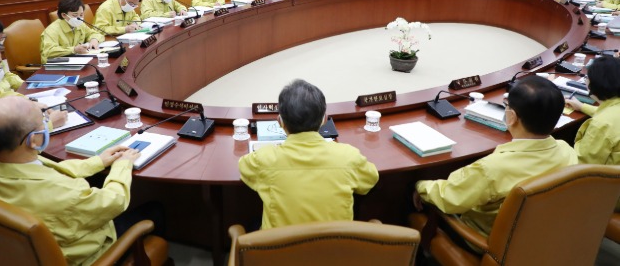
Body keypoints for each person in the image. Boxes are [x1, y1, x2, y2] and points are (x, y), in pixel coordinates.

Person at [0, 96, 141, 265]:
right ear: (34, 140)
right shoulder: (67, 193)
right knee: (153, 211)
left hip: (18, 253)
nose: (47, 123)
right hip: (84, 255)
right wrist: (122, 165)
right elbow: (116, 201)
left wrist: (97, 161)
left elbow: (48, 170)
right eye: (43, 121)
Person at [414, 76, 577, 239]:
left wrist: (419, 186)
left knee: (415, 204)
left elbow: (449, 198)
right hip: (541, 237)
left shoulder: (492, 168)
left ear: (511, 117)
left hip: (486, 242)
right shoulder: (567, 151)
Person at [238, 79, 379, 229]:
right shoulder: (349, 157)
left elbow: (243, 167)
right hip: (335, 250)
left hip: (280, 251)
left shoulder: (264, 159)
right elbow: (370, 179)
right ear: (324, 119)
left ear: (280, 122)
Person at [0, 37, 67, 180]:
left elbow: (0, 93)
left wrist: (30, 104)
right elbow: (0, 148)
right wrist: (48, 124)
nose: (1, 71)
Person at [566, 56, 620, 175]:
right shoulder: (611, 113)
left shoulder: (601, 124)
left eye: (587, 77)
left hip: (606, 187)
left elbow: (582, 164)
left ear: (595, 85)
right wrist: (582, 107)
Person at [40, 0, 104, 63]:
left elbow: (95, 33)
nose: (79, 18)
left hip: (75, 61)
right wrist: (74, 49)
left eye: (81, 15)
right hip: (55, 65)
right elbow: (48, 52)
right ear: (64, 15)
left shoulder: (80, 25)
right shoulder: (52, 30)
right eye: (75, 15)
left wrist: (94, 39)